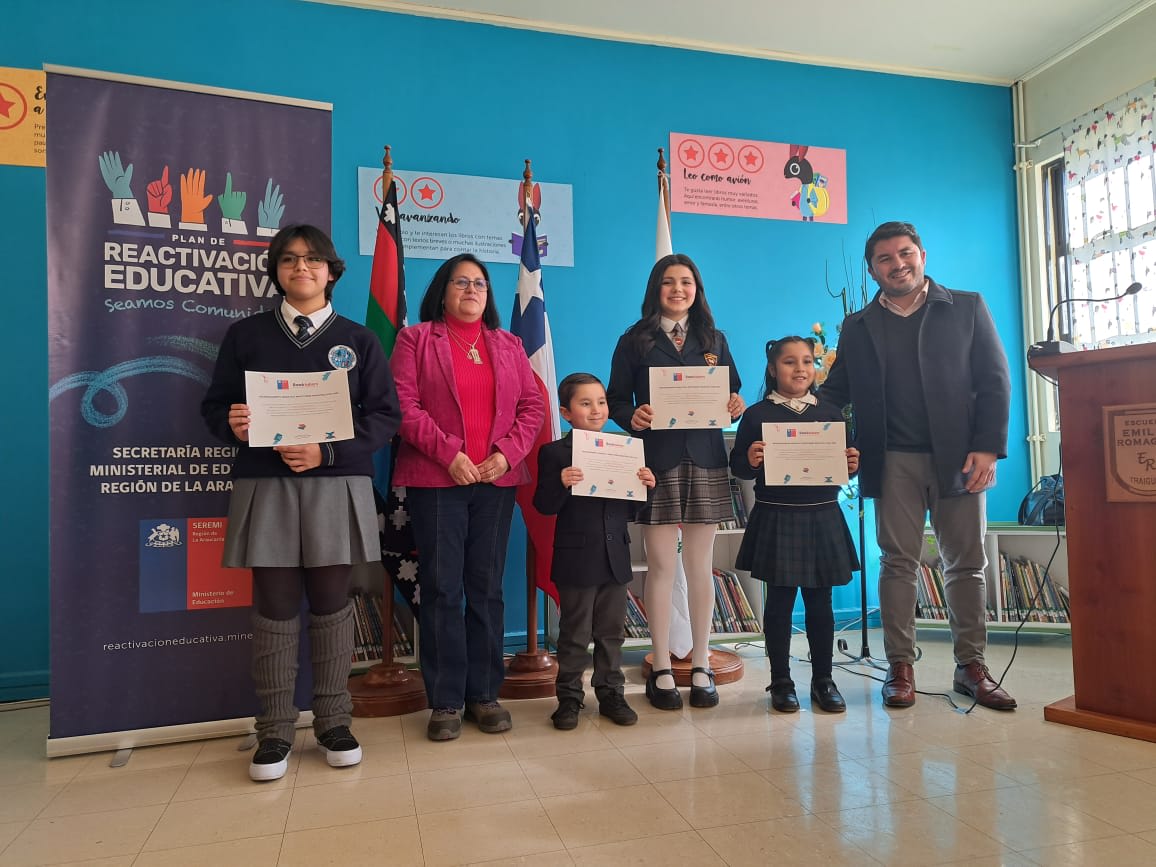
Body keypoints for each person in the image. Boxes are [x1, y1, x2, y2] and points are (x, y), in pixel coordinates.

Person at [202, 224, 401, 781]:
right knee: (275, 603)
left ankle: (335, 720)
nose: (301, 268)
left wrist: (325, 452)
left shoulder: (359, 340)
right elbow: (215, 407)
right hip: (266, 483)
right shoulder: (245, 336)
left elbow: (385, 416)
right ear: (276, 271)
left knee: (333, 600)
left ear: (332, 271)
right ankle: (275, 730)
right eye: (289, 259)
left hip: (335, 483)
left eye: (313, 259)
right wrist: (233, 425)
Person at [820, 221, 1016, 711]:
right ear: (872, 270)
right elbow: (835, 393)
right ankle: (900, 666)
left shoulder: (967, 307)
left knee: (966, 563)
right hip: (891, 461)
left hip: (960, 459)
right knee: (897, 563)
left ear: (922, 256)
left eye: (905, 253)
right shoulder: (857, 326)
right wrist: (782, 415)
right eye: (885, 259)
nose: (898, 264)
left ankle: (971, 667)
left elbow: (995, 380)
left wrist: (988, 447)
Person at [391, 253, 546, 741]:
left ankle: (484, 694)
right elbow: (404, 406)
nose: (472, 290)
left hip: (496, 481)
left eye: (479, 283)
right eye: (461, 282)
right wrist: (450, 455)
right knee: (442, 589)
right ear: (442, 292)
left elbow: (533, 405)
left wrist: (506, 454)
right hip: (438, 481)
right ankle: (445, 701)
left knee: (487, 588)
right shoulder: (416, 339)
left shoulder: (509, 344)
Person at [607, 253, 745, 710]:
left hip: (706, 459)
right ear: (656, 289)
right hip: (657, 462)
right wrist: (632, 416)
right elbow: (615, 400)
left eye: (686, 282)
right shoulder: (634, 340)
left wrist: (736, 404)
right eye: (669, 282)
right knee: (662, 567)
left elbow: (732, 391)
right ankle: (663, 665)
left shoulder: (714, 338)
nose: (678, 290)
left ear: (696, 289)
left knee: (701, 566)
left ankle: (701, 663)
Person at [730, 337, 860, 713]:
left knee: (821, 603)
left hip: (822, 514)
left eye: (806, 361)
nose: (800, 368)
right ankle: (781, 682)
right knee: (780, 602)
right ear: (773, 369)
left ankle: (824, 680)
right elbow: (739, 468)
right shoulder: (756, 416)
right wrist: (750, 459)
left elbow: (843, 468)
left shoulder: (832, 414)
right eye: (789, 362)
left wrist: (853, 465)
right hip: (777, 515)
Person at [533, 373, 656, 730]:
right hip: (576, 559)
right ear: (566, 412)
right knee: (574, 634)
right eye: (585, 403)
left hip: (615, 557)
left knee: (611, 633)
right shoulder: (554, 453)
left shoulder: (624, 449)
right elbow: (543, 505)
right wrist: (561, 483)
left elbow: (632, 510)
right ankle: (569, 699)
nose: (596, 409)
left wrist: (646, 487)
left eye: (601, 402)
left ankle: (611, 694)